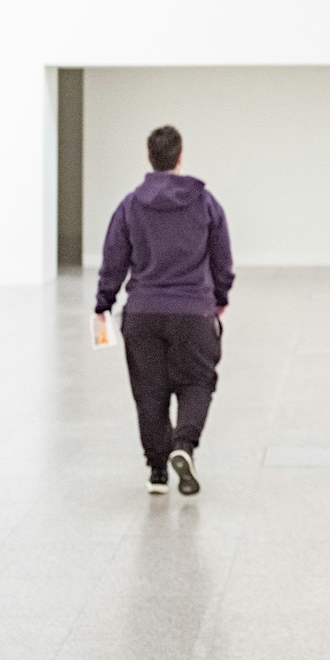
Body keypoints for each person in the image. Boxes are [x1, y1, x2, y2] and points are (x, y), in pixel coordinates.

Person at [94, 124, 234, 496]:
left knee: (149, 392)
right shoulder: (205, 203)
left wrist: (103, 303)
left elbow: (113, 259)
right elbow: (222, 258)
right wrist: (220, 297)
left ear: (149, 157)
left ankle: (157, 471)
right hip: (193, 311)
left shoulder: (130, 204)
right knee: (197, 383)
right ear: (180, 157)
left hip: (143, 313)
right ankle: (183, 447)